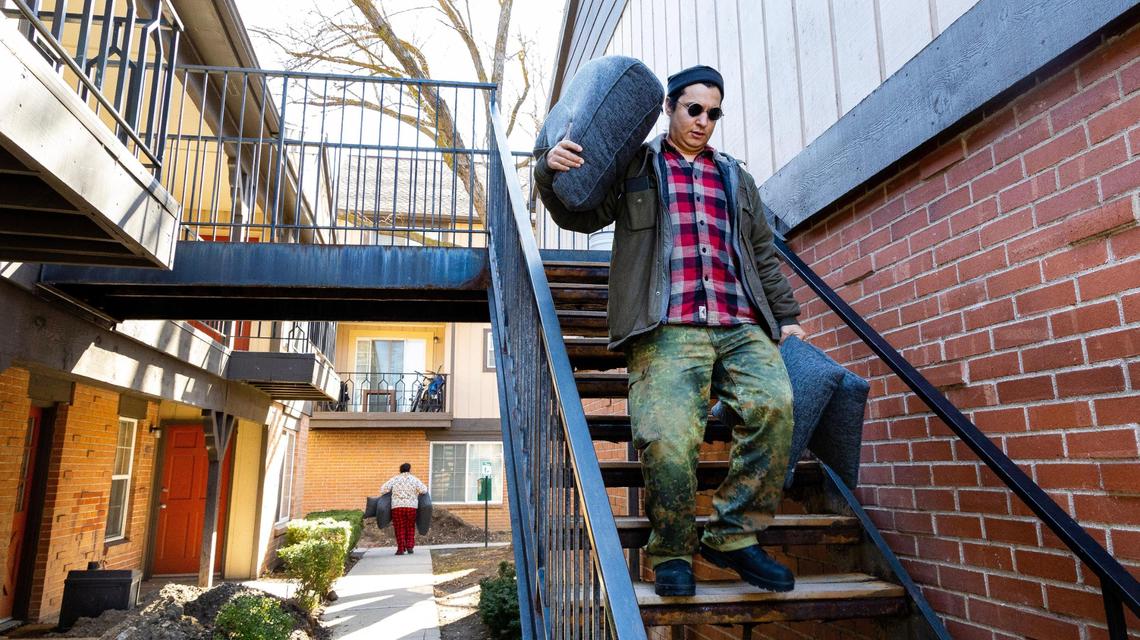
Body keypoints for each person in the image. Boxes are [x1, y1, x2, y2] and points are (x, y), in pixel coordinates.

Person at [535, 65, 806, 596]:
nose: (704, 121)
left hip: (739, 321)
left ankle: (733, 534)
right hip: (666, 326)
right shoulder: (636, 165)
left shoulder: (735, 176)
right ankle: (673, 550)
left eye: (714, 113)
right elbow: (578, 216)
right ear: (670, 108)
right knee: (666, 439)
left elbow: (761, 254)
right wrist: (548, 172)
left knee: (775, 407)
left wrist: (788, 316)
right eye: (694, 109)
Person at [380, 462, 428, 555]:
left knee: (399, 527)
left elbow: (382, 489)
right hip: (411, 507)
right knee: (410, 527)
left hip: (397, 507)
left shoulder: (395, 479)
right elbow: (424, 490)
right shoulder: (414, 480)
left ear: (400, 470)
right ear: (409, 470)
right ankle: (410, 547)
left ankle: (401, 549)